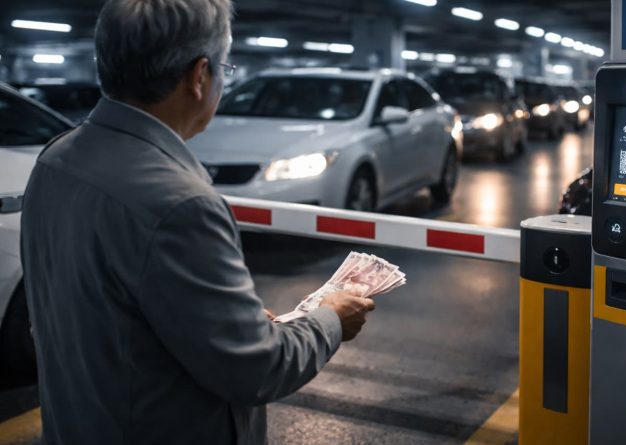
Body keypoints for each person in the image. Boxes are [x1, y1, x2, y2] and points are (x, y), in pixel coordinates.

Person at [20, 1, 375, 444]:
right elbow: (256, 369)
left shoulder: (56, 160)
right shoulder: (181, 204)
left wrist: (229, 322)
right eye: (224, 68)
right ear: (200, 75)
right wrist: (330, 320)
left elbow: (106, 313)